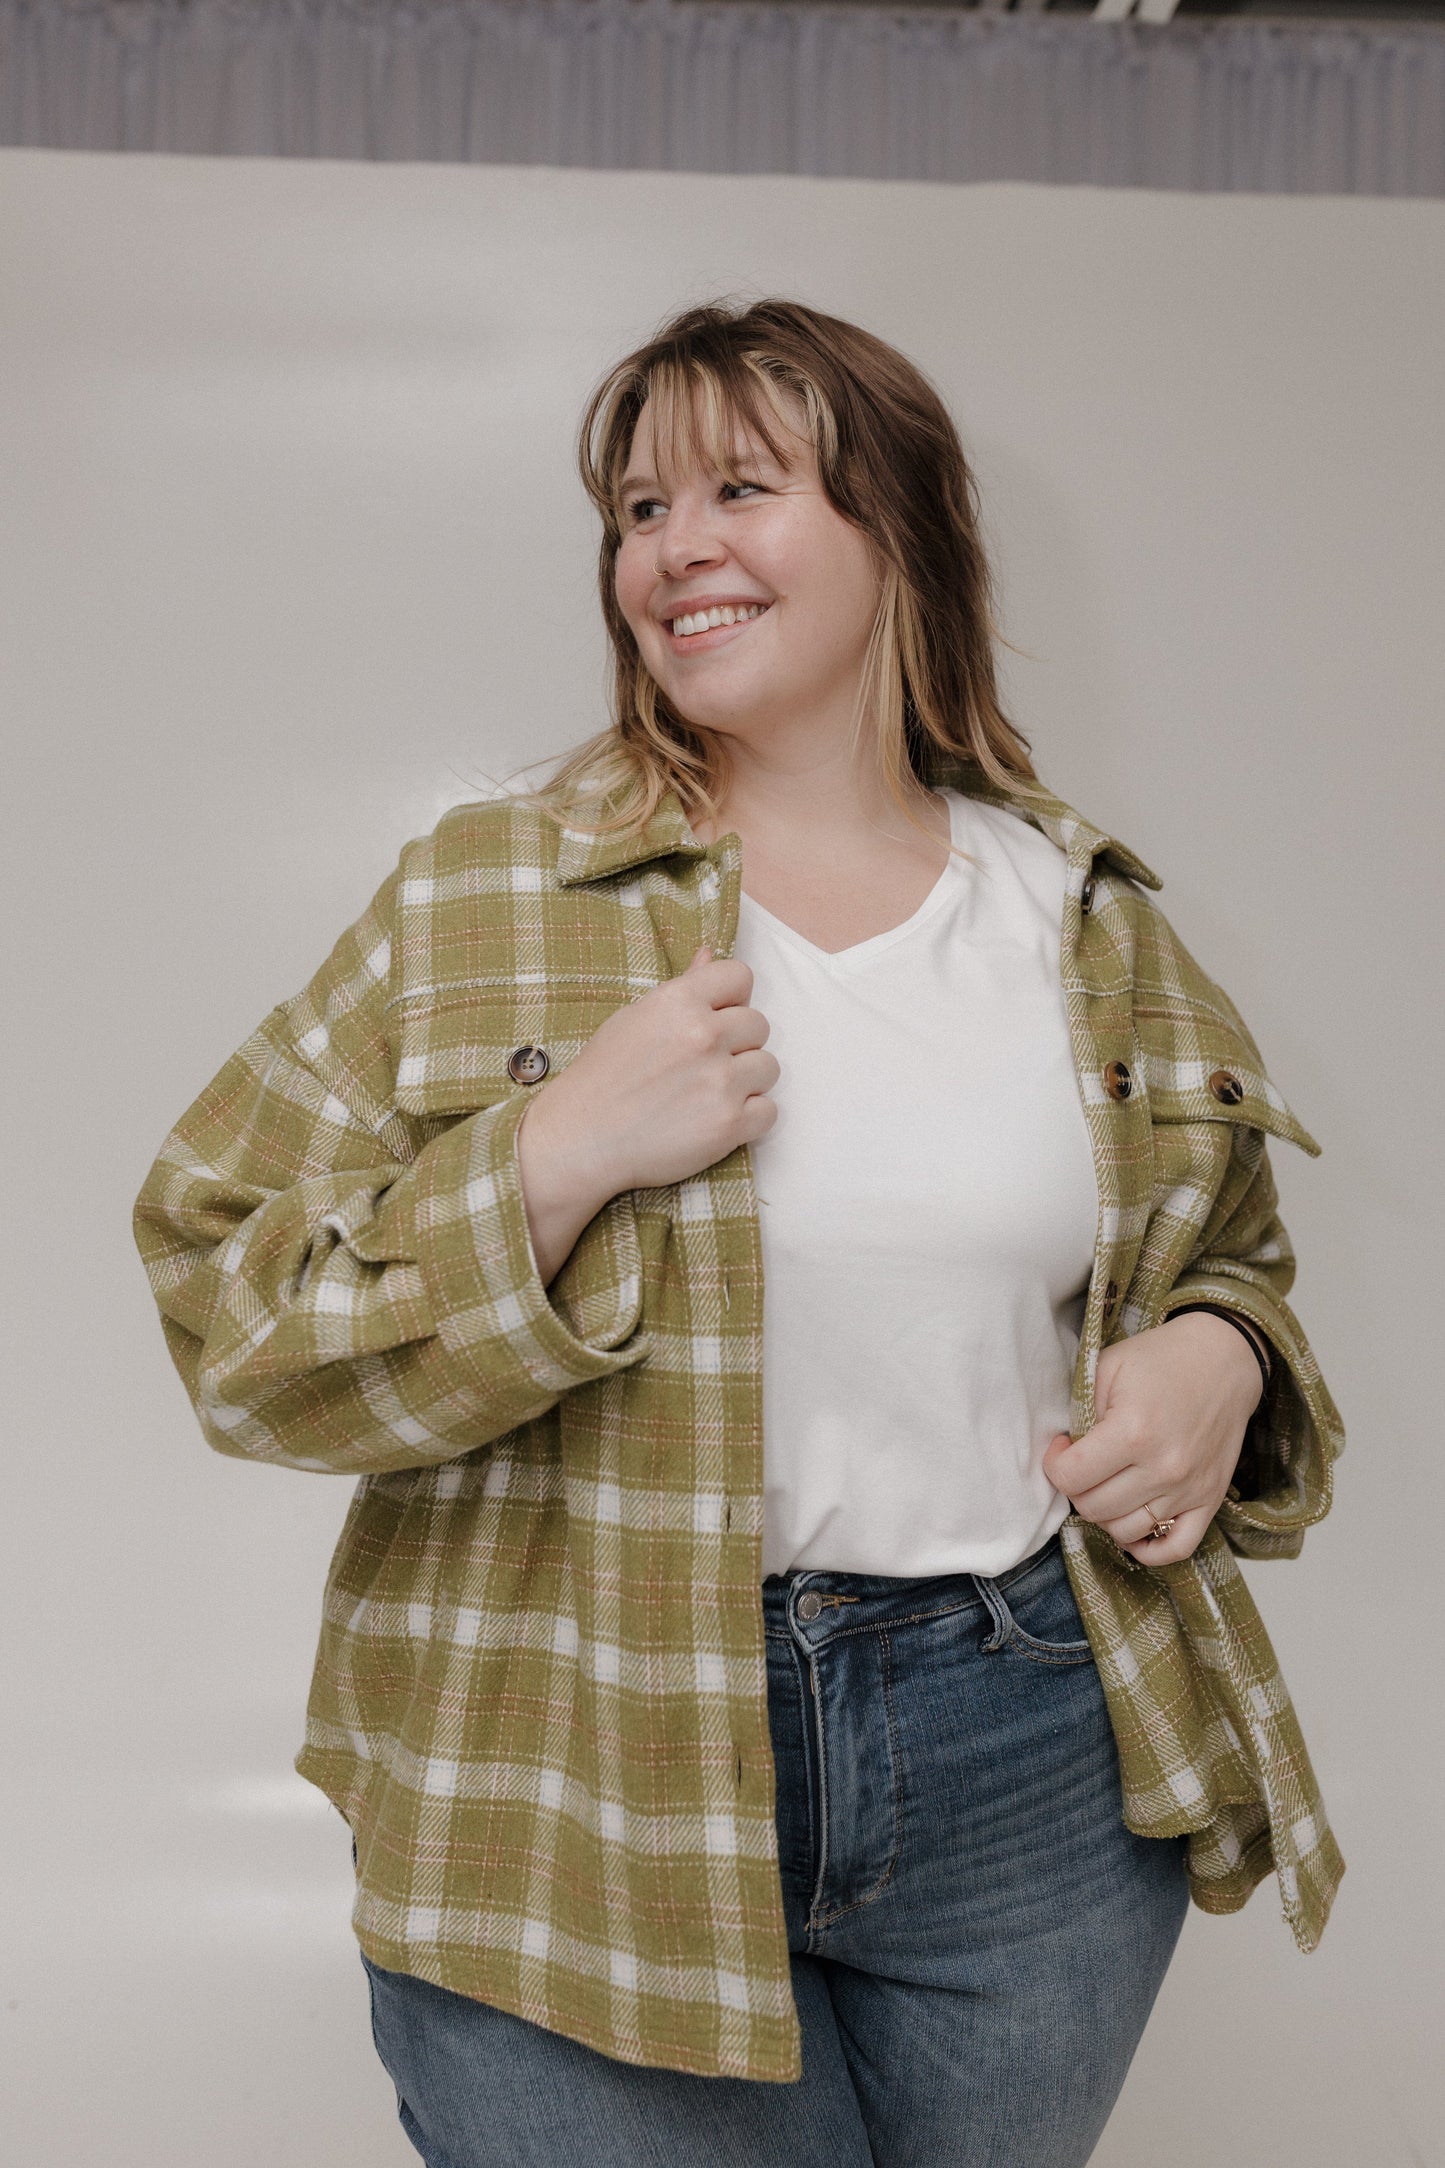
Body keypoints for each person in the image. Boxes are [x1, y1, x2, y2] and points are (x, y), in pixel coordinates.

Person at [133, 297, 1345, 2168]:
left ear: (900, 531)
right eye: (637, 511)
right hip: (574, 1749)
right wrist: (549, 1155)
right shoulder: (484, 893)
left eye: (737, 490)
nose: (670, 549)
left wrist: (1220, 1356)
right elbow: (230, 1310)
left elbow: (1224, 1257)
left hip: (1026, 1758)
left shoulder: (1081, 917)